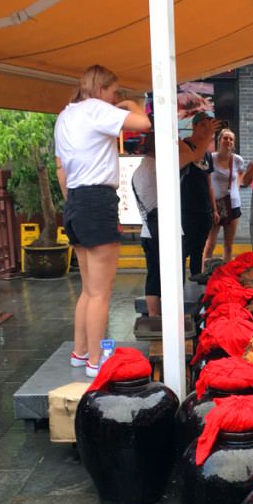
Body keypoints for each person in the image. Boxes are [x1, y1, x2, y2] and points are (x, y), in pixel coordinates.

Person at [55, 64, 151, 378]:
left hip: (75, 201)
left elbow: (60, 168)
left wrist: (74, 202)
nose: (115, 97)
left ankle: (80, 352)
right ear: (100, 89)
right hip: (97, 201)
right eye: (114, 91)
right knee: (100, 292)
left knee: (88, 289)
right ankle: (96, 361)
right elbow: (143, 123)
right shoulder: (96, 109)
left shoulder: (65, 116)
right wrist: (131, 104)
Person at [179, 111, 220, 281]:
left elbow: (209, 182)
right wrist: (210, 135)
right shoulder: (184, 146)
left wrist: (214, 209)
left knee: (199, 249)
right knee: (184, 248)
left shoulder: (208, 153)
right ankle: (179, 286)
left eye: (209, 126)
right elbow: (195, 158)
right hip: (187, 207)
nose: (207, 129)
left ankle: (196, 280)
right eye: (203, 125)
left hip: (204, 208)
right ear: (194, 126)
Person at [202, 127, 244, 264]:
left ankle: (227, 273)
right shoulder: (211, 158)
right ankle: (205, 271)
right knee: (210, 244)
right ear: (219, 141)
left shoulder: (237, 160)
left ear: (234, 143)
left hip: (233, 204)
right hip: (215, 205)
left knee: (229, 245)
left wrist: (236, 187)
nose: (228, 141)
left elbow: (241, 173)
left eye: (231, 139)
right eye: (225, 138)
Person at [131, 133, 160, 317]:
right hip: (160, 233)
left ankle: (153, 315)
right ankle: (158, 316)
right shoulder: (157, 167)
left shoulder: (138, 171)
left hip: (147, 231)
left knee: (153, 275)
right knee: (162, 275)